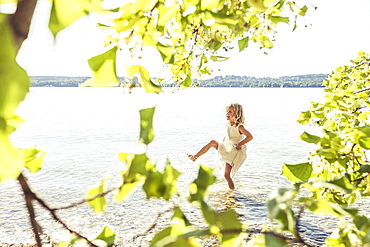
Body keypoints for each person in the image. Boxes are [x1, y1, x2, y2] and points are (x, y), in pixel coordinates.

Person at [187, 103, 253, 190]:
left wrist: (240, 144)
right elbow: (230, 134)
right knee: (213, 143)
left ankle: (232, 193)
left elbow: (250, 137)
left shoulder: (239, 126)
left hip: (234, 151)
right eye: (227, 112)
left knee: (227, 175)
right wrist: (225, 139)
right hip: (227, 146)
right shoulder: (229, 124)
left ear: (237, 114)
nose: (227, 114)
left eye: (230, 112)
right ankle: (195, 157)